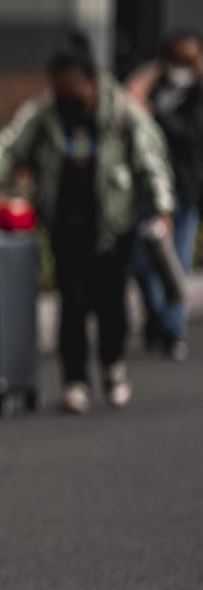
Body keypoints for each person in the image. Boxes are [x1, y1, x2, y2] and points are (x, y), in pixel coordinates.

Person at [0, 43, 174, 414]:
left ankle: (113, 366)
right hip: (66, 225)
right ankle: (75, 381)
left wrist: (162, 208)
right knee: (73, 304)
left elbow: (151, 160)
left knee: (111, 303)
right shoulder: (46, 115)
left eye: (69, 85)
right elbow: (10, 147)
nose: (62, 92)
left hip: (113, 223)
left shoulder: (122, 113)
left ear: (90, 82)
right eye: (57, 85)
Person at [124, 28, 203, 360]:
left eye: (190, 58)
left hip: (183, 193)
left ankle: (172, 331)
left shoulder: (198, 94)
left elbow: (191, 135)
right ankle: (157, 319)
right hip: (146, 190)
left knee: (176, 262)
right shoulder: (155, 88)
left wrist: (161, 118)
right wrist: (151, 76)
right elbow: (127, 100)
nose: (182, 66)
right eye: (177, 58)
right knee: (141, 263)